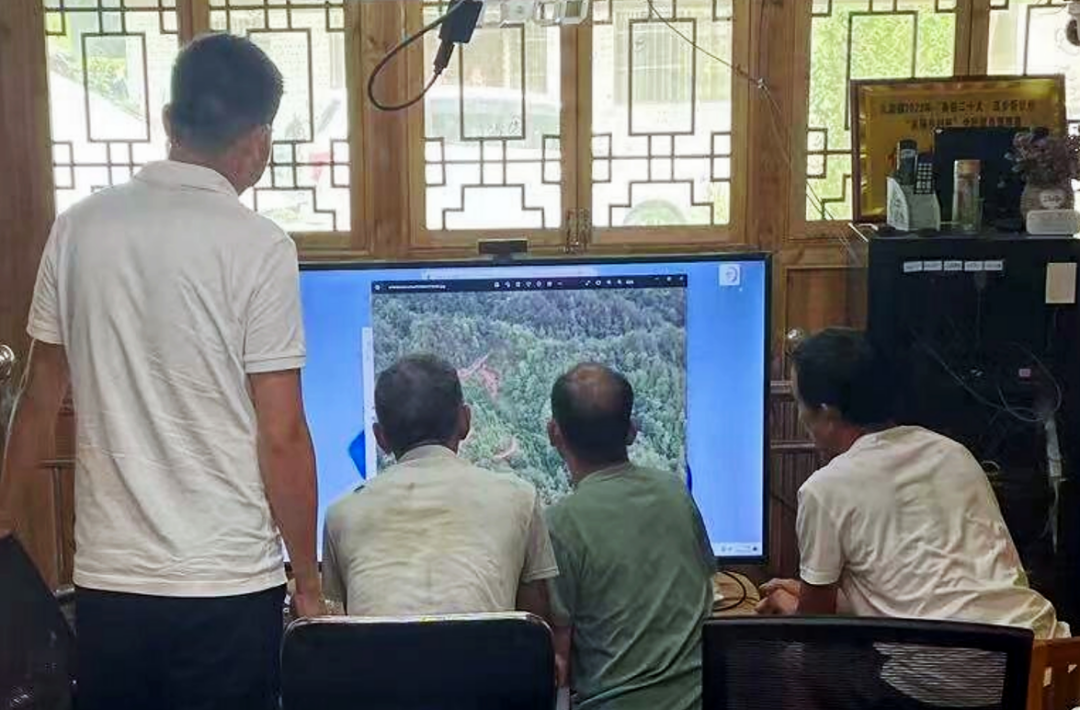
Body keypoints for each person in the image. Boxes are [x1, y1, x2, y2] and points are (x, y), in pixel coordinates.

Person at [0, 33, 321, 710]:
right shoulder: (260, 246)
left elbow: (38, 392)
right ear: (260, 143)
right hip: (230, 582)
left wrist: (1, 519)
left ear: (170, 121)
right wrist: (309, 583)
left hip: (111, 582)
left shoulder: (79, 227)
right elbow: (283, 433)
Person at [757, 328, 1068, 708]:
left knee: (792, 660)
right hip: (1046, 667)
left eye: (798, 402)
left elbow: (816, 632)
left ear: (826, 413)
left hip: (950, 685)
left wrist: (789, 605)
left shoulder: (825, 489)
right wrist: (809, 593)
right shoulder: (953, 453)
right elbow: (929, 590)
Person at [322, 354, 559, 622]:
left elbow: (347, 620)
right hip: (483, 652)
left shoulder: (341, 516)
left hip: (380, 652)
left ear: (380, 438)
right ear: (465, 421)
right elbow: (534, 630)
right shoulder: (519, 500)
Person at [544, 363, 715, 710]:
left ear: (554, 433)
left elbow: (558, 659)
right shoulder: (674, 491)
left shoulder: (559, 523)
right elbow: (709, 582)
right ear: (632, 431)